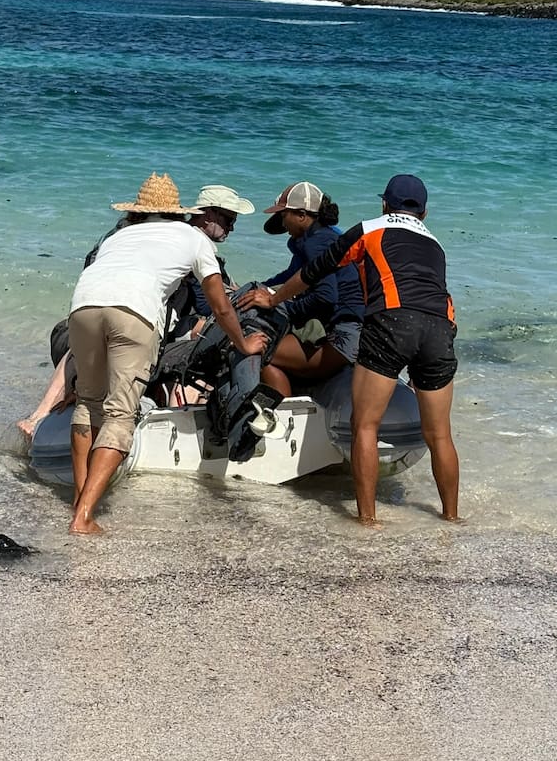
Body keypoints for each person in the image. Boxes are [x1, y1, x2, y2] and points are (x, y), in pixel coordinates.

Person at [241, 174, 459, 526]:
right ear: (425, 213)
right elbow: (440, 298)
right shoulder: (435, 244)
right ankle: (451, 517)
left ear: (385, 204)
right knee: (440, 434)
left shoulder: (369, 228)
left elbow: (315, 272)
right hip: (438, 328)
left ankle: (367, 519)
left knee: (365, 425)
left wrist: (274, 297)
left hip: (391, 321)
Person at [67, 172, 266, 535]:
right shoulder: (193, 238)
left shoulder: (120, 235)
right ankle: (82, 518)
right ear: (180, 212)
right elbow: (221, 307)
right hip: (134, 314)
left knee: (87, 402)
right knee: (120, 415)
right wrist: (244, 343)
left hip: (82, 307)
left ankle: (81, 501)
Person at [16, 183, 254, 437]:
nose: (232, 227)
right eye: (228, 220)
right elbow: (209, 304)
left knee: (89, 378)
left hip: (86, 314)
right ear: (209, 214)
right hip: (143, 324)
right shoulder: (190, 240)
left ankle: (39, 417)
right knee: (200, 343)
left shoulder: (123, 236)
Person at [239, 182, 364, 397]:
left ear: (302, 215)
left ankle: (279, 417)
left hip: (343, 337)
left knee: (251, 347)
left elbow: (325, 297)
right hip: (353, 331)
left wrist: (285, 306)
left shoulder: (317, 242)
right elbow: (289, 278)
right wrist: (259, 288)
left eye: (283, 215)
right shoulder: (322, 237)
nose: (281, 222)